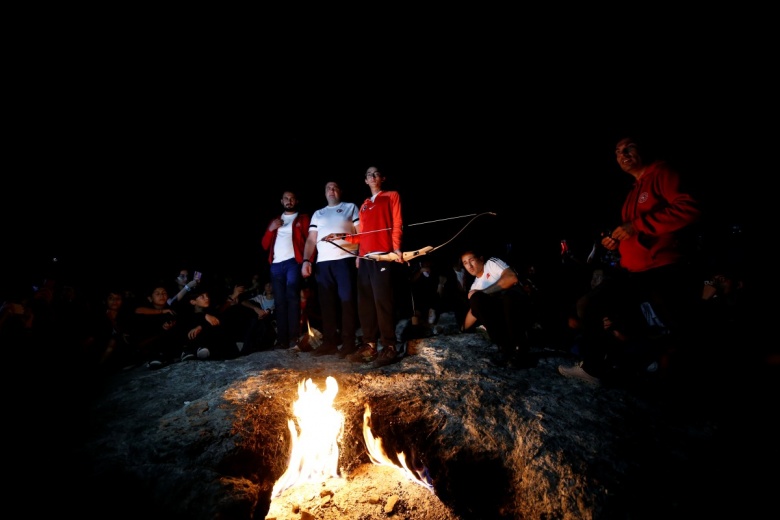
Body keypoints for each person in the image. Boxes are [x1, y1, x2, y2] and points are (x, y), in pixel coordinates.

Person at [559, 135, 702, 386]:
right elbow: (633, 231)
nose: (623, 154)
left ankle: (673, 381)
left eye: (629, 148)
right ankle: (595, 367)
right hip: (633, 270)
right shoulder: (633, 191)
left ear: (643, 150)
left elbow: (689, 208)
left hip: (663, 268)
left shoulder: (663, 173)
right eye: (617, 151)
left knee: (671, 329)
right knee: (590, 305)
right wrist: (617, 240)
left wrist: (636, 226)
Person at [323, 166, 405, 368]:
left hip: (383, 255)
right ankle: (369, 344)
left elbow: (397, 222)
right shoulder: (365, 204)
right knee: (365, 303)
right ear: (365, 181)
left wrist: (396, 248)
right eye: (369, 174)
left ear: (382, 178)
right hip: (366, 257)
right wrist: (342, 238)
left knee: (382, 300)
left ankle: (389, 345)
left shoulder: (391, 196)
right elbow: (363, 234)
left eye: (376, 173)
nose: (373, 176)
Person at [301, 181, 360, 358]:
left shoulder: (350, 207)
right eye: (328, 188)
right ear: (325, 193)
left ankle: (349, 342)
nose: (331, 190)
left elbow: (361, 233)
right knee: (326, 304)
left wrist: (358, 251)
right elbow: (311, 239)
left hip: (345, 259)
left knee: (347, 301)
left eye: (335, 187)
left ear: (340, 191)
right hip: (323, 262)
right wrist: (306, 260)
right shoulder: (318, 213)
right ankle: (330, 342)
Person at [460, 249, 537, 369]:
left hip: (518, 309)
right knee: (475, 298)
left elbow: (512, 278)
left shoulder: (491, 263)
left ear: (481, 259)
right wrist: (462, 329)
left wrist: (484, 292)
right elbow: (474, 311)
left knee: (508, 297)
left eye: (472, 260)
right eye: (465, 263)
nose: (469, 266)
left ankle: (520, 349)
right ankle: (504, 347)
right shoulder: (475, 286)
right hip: (501, 318)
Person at [260, 191, 312, 350]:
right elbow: (264, 245)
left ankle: (294, 338)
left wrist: (306, 261)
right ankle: (281, 339)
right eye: (286, 198)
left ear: (296, 201)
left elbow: (310, 241)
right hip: (276, 265)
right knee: (280, 302)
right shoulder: (276, 220)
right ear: (281, 201)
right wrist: (270, 229)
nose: (289, 201)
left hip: (292, 262)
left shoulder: (302, 218)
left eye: (292, 198)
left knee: (292, 298)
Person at [178, 286, 242, 361]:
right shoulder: (187, 316)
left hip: (218, 348)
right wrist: (203, 317)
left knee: (217, 323)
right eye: (202, 297)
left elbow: (219, 314)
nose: (207, 298)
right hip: (199, 343)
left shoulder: (211, 312)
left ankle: (200, 349)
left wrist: (201, 326)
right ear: (193, 302)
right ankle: (190, 350)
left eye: (207, 296)